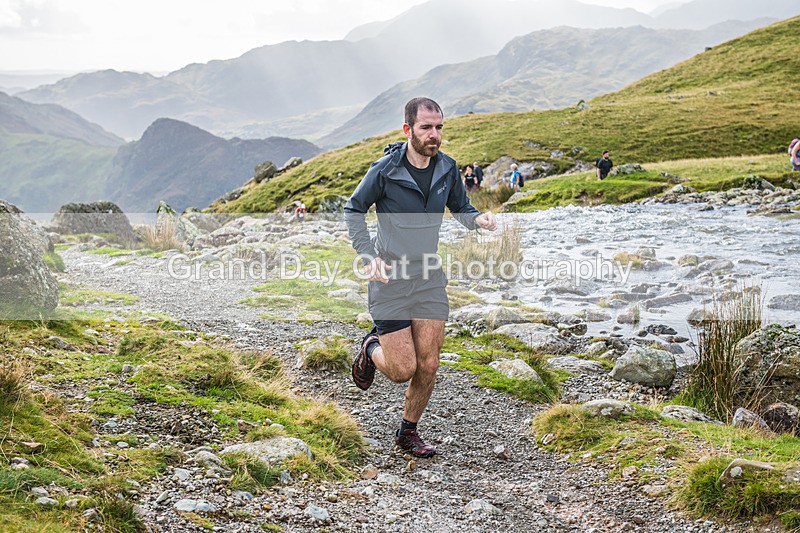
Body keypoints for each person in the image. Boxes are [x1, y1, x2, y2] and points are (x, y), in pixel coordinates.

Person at [344, 97, 497, 458]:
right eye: (427, 127)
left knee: (428, 363)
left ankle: (407, 431)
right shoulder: (385, 170)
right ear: (408, 129)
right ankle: (370, 347)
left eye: (439, 127)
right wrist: (367, 256)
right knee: (401, 369)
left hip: (428, 275)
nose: (435, 135)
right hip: (390, 277)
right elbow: (354, 209)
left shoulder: (447, 168)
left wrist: (477, 220)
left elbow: (460, 207)